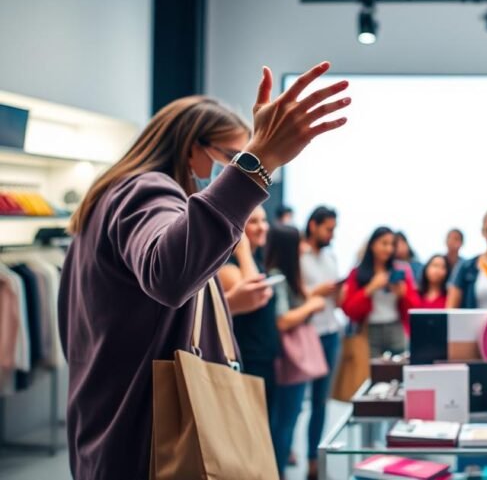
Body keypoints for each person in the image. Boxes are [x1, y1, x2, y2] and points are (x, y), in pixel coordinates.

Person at [58, 61, 351, 479]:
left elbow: (137, 310)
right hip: (146, 437)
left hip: (117, 425)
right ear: (192, 147)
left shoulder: (112, 199)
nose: (234, 167)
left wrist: (225, 303)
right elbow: (168, 274)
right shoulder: (148, 189)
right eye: (231, 157)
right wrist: (259, 159)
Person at [266, 225, 329, 478]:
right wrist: (312, 305)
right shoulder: (279, 276)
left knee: (287, 420)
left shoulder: (284, 275)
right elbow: (282, 320)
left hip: (285, 359)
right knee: (285, 421)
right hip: (288, 358)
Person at [217, 205, 278, 414]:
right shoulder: (229, 266)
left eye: (264, 220)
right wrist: (242, 248)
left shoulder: (257, 260)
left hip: (264, 356)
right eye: (253, 221)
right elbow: (255, 296)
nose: (262, 227)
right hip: (247, 358)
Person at [300, 205, 343, 480]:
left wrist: (338, 292)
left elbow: (336, 301)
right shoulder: (298, 257)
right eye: (328, 229)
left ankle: (313, 459)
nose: (332, 235)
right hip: (306, 334)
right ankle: (285, 452)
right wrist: (317, 291)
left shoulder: (331, 258)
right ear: (313, 226)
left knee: (320, 400)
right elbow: (293, 295)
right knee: (294, 400)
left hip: (330, 332)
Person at [341, 227, 420, 356]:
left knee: (400, 364)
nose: (389, 249)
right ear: (372, 245)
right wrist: (369, 289)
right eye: (384, 243)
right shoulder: (357, 273)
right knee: (370, 367)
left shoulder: (402, 270)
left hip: (395, 327)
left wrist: (403, 294)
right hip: (369, 329)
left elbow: (414, 307)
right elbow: (349, 310)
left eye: (392, 244)